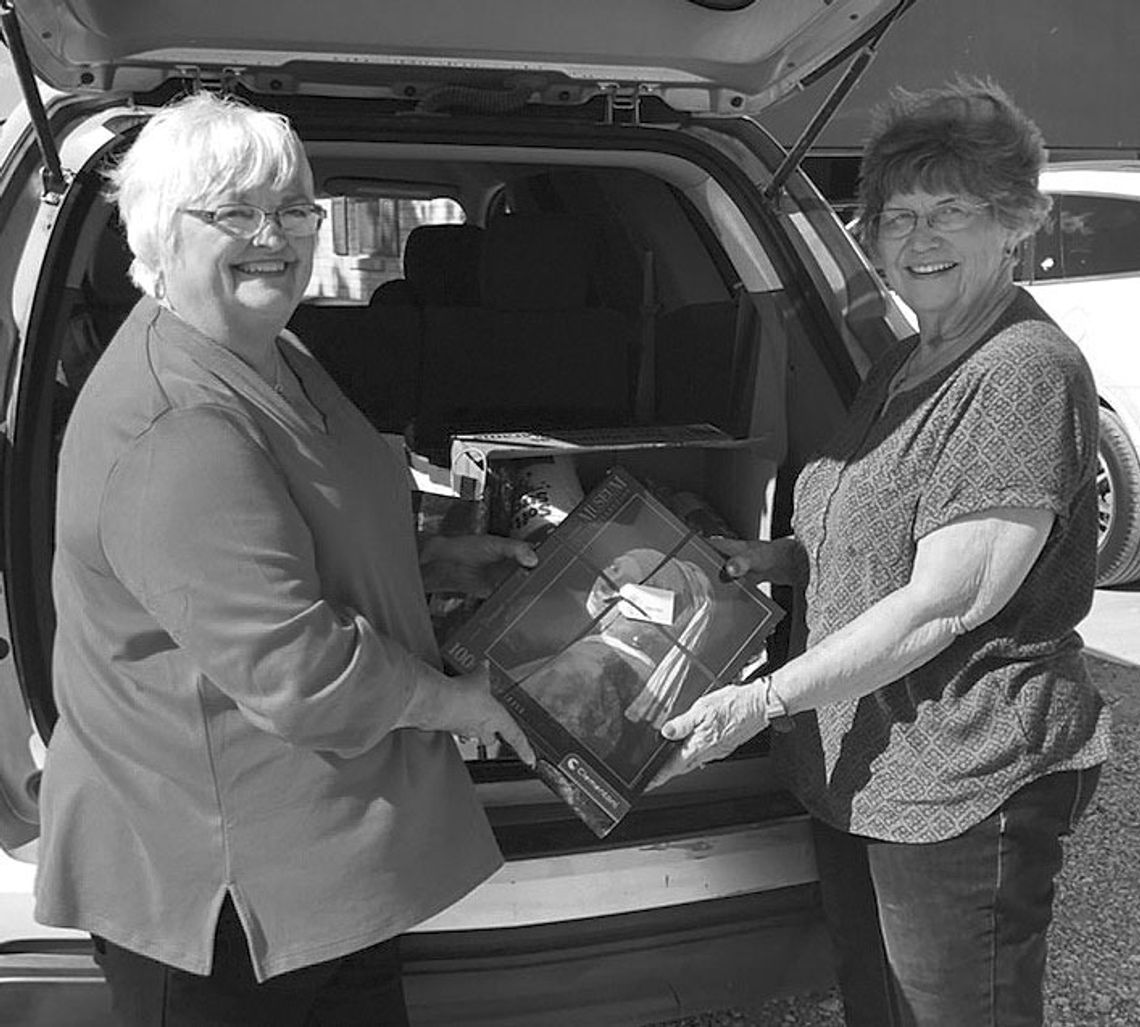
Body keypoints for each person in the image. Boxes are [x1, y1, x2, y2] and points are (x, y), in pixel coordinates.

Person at [37, 91, 537, 1027]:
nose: (274, 235)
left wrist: (446, 560)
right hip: (222, 892)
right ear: (156, 230)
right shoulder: (176, 425)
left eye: (295, 208)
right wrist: (466, 705)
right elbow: (302, 672)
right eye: (233, 210)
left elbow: (307, 532)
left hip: (328, 858)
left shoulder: (267, 345)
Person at [652, 78, 1112, 1027]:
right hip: (866, 762)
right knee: (879, 1006)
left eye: (953, 211)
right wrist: (768, 560)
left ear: (1016, 220)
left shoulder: (1022, 368)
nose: (921, 238)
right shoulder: (910, 358)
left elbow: (949, 598)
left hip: (964, 773)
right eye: (899, 215)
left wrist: (764, 697)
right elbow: (870, 531)